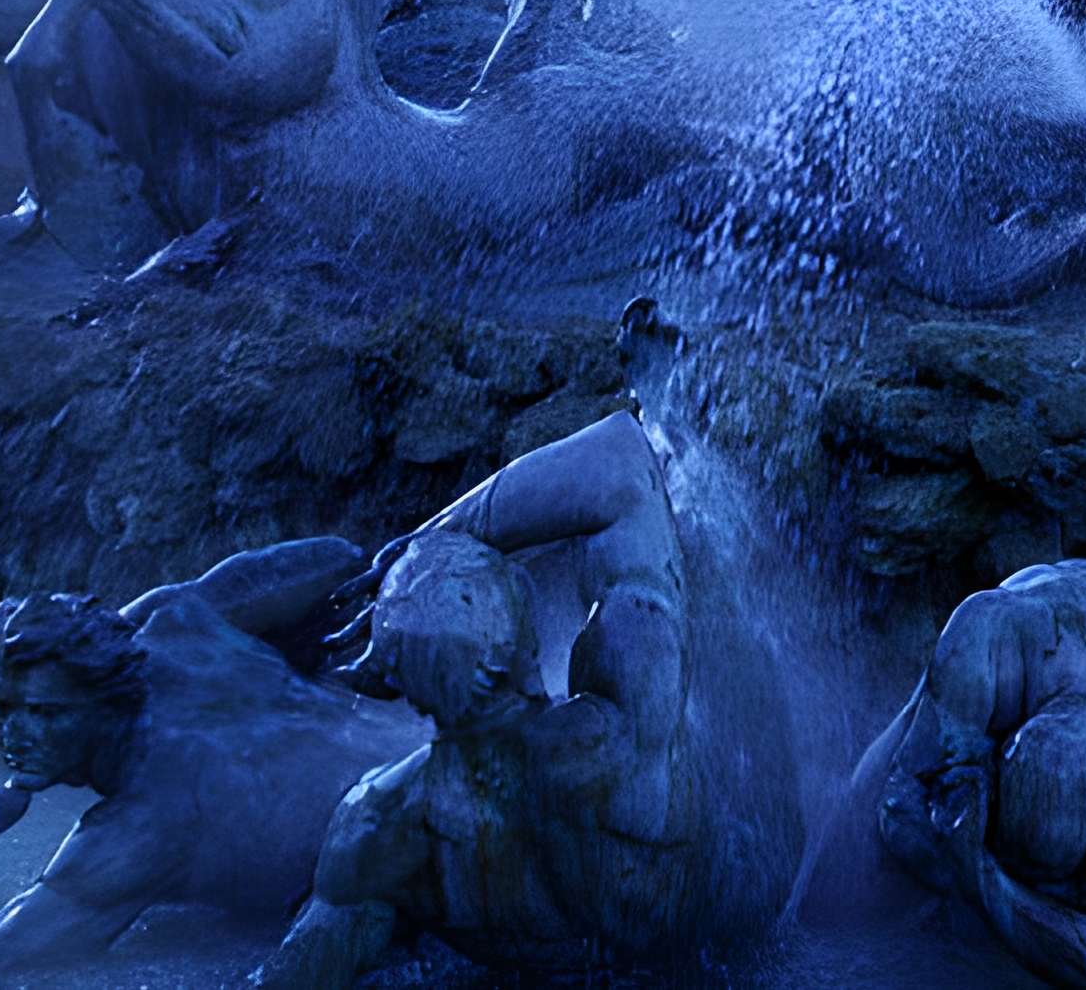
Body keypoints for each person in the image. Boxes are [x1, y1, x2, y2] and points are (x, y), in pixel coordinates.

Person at [259, 410, 805, 985]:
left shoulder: (376, 826)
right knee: (712, 602)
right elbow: (620, 461)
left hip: (538, 939)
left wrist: (405, 603)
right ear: (524, 625)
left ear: (389, 679)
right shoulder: (617, 738)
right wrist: (430, 541)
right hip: (735, 922)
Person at [0, 541, 416, 967]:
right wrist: (98, 640)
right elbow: (337, 559)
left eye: (47, 714)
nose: (14, 733)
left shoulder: (145, 827)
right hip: (413, 741)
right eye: (2, 707)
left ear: (106, 704)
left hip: (414, 853)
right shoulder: (174, 621)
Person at [795, 560, 1086, 990]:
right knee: (832, 898)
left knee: (1044, 920)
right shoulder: (988, 639)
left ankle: (1039, 891)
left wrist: (981, 873)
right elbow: (898, 808)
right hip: (1049, 618)